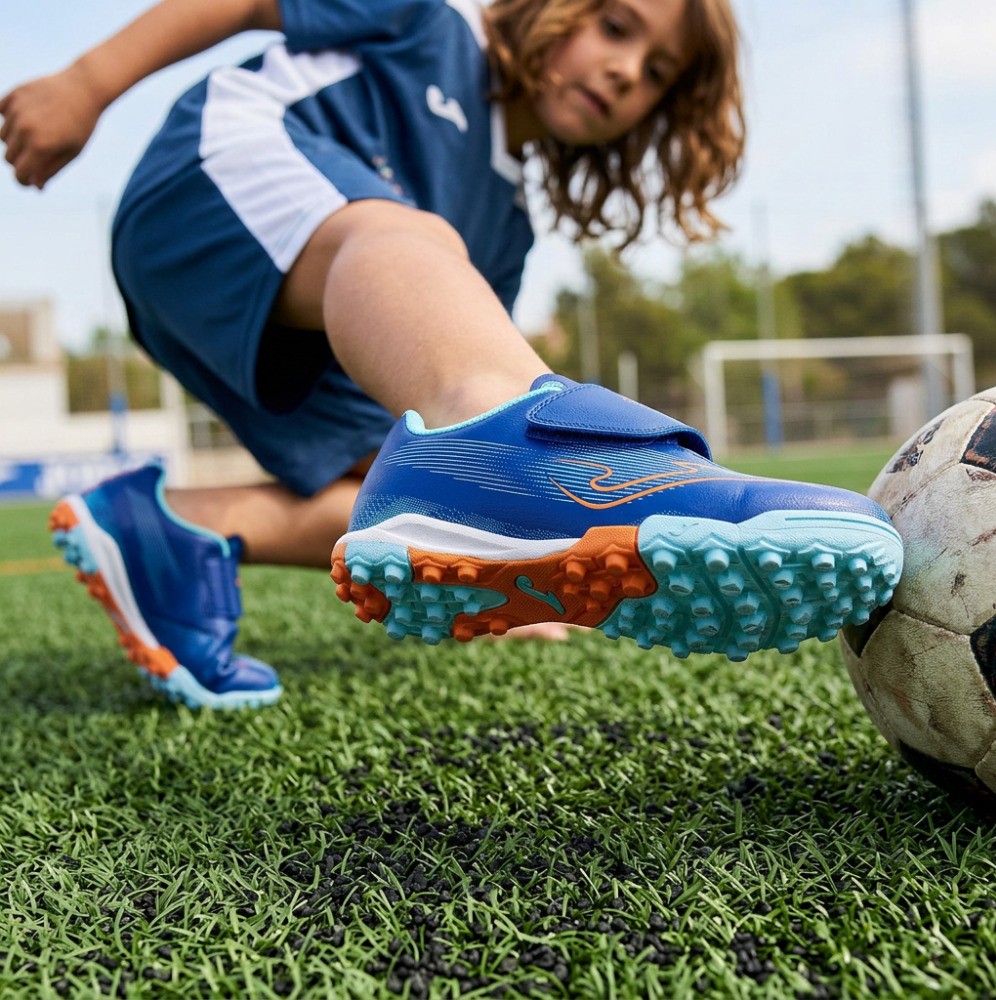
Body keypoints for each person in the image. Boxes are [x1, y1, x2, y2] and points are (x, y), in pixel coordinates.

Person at [0, 0, 903, 710]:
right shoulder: (434, 16)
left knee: (398, 481)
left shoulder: (504, 224)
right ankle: (545, 462)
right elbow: (244, 1)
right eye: (616, 25)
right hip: (214, 183)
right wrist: (85, 81)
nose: (625, 69)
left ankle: (174, 532)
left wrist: (512, 572)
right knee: (436, 327)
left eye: (655, 73)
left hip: (278, 306)